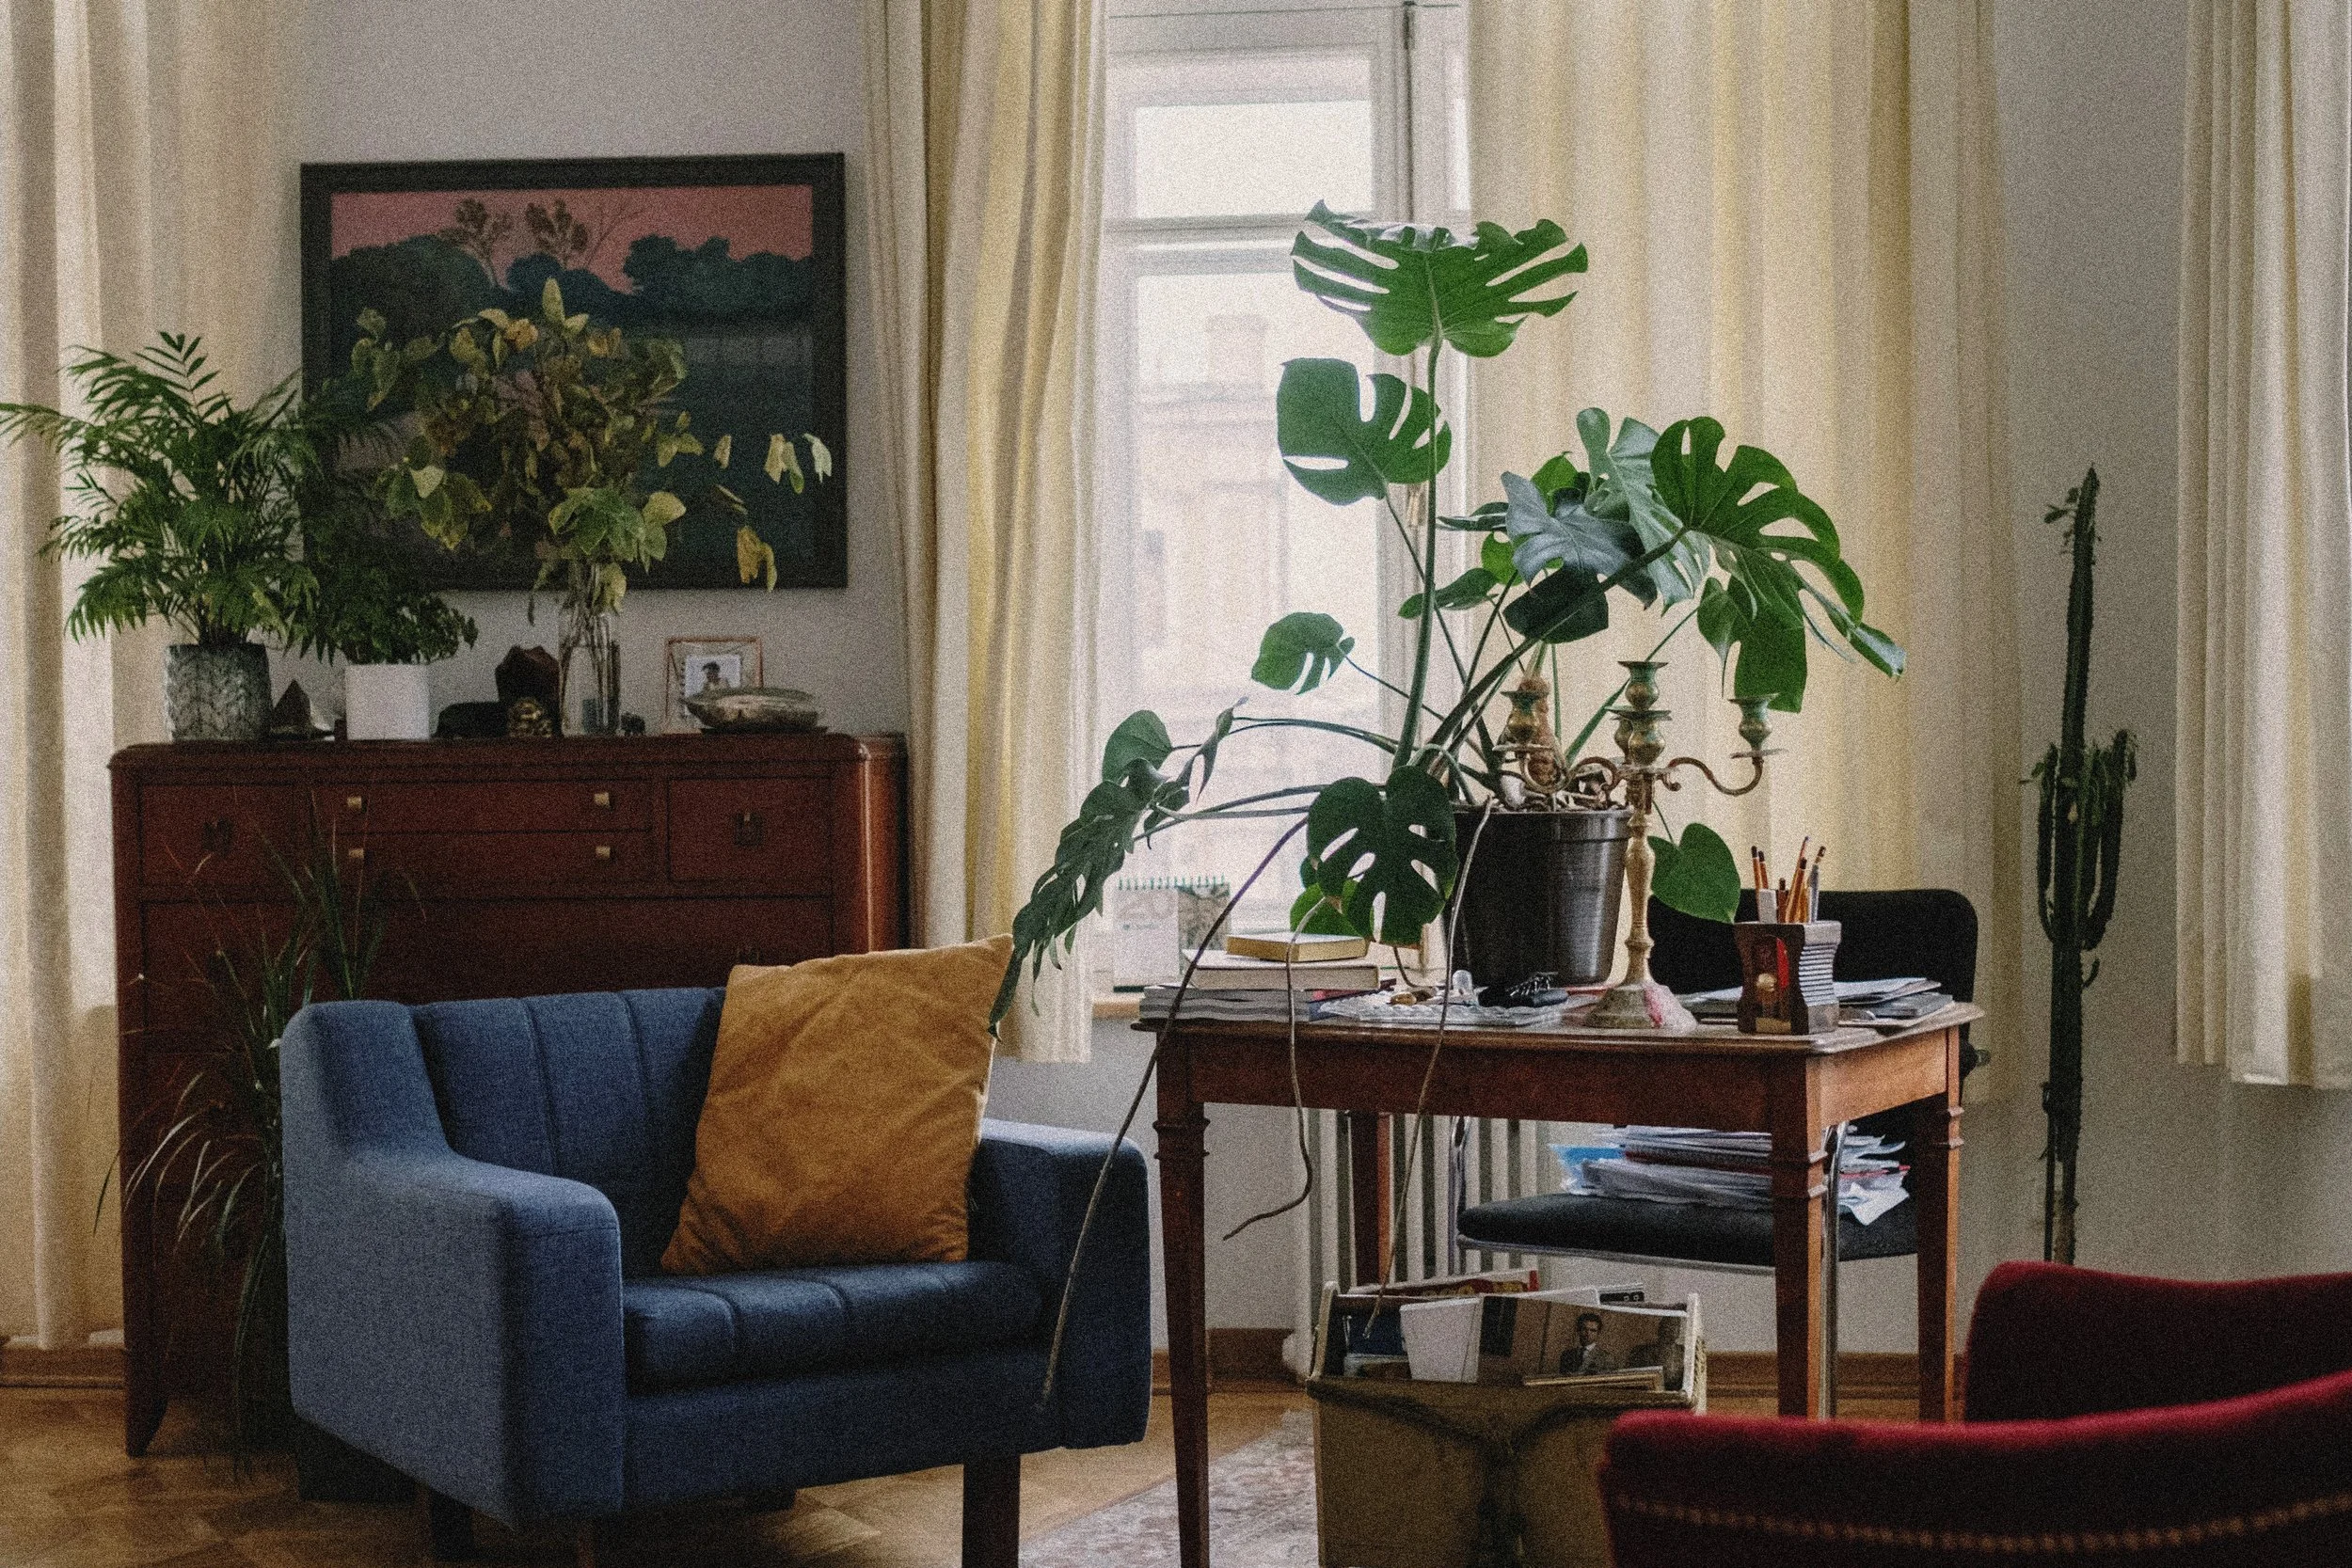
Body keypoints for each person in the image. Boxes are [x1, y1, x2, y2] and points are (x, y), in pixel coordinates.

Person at [1627, 1315, 1688, 1389]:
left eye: (1675, 1326)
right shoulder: (1643, 1352)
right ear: (1660, 1328)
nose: (1672, 1329)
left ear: (1678, 1331)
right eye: (1668, 1325)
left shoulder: (1683, 1351)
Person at [1558, 1311, 1618, 1376]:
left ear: (1598, 1334)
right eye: (1584, 1329)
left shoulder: (1606, 1358)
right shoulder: (1567, 1355)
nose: (1588, 1334)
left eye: (1593, 1330)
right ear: (1578, 1331)